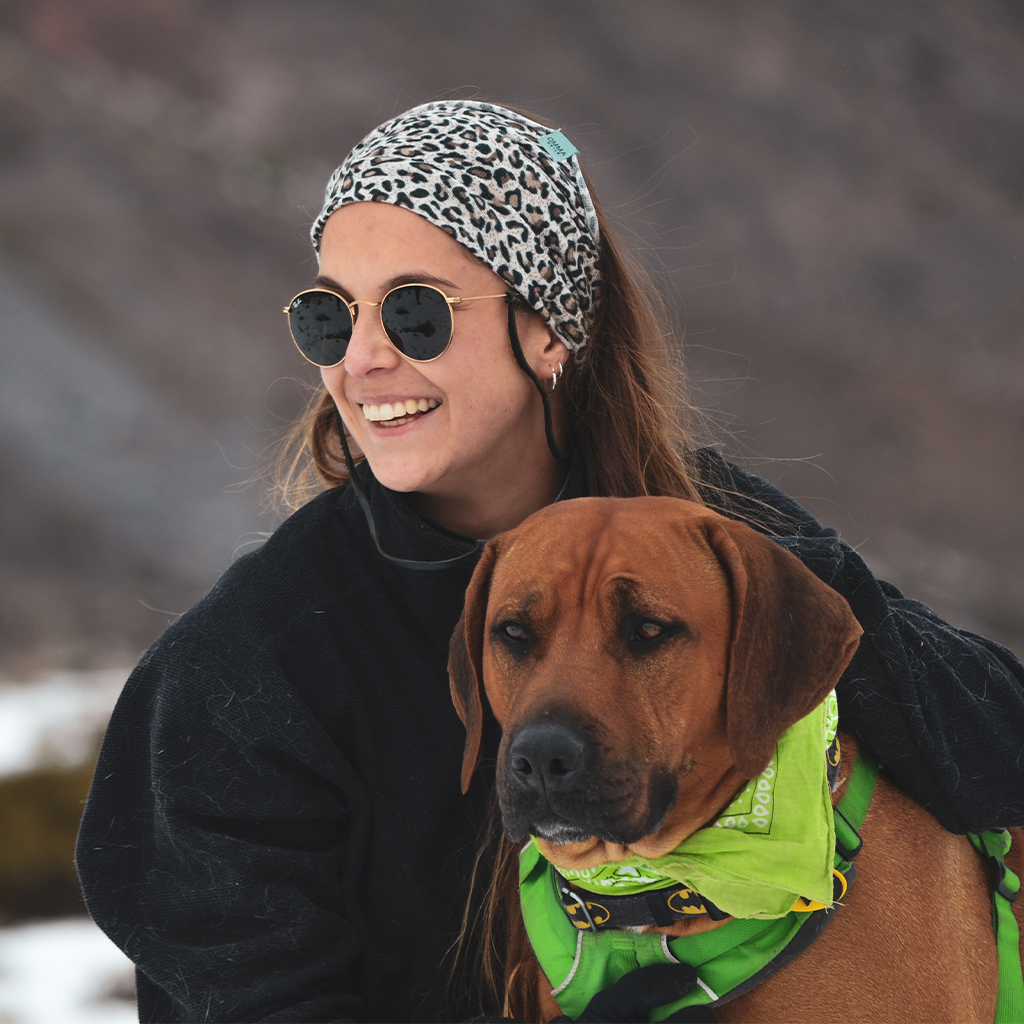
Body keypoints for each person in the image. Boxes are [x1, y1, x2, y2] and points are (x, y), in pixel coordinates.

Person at [76, 100, 1024, 1024]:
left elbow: (995, 750)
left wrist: (786, 586)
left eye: (416, 313)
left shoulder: (713, 536)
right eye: (329, 317)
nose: (361, 359)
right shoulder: (245, 667)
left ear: (549, 329)